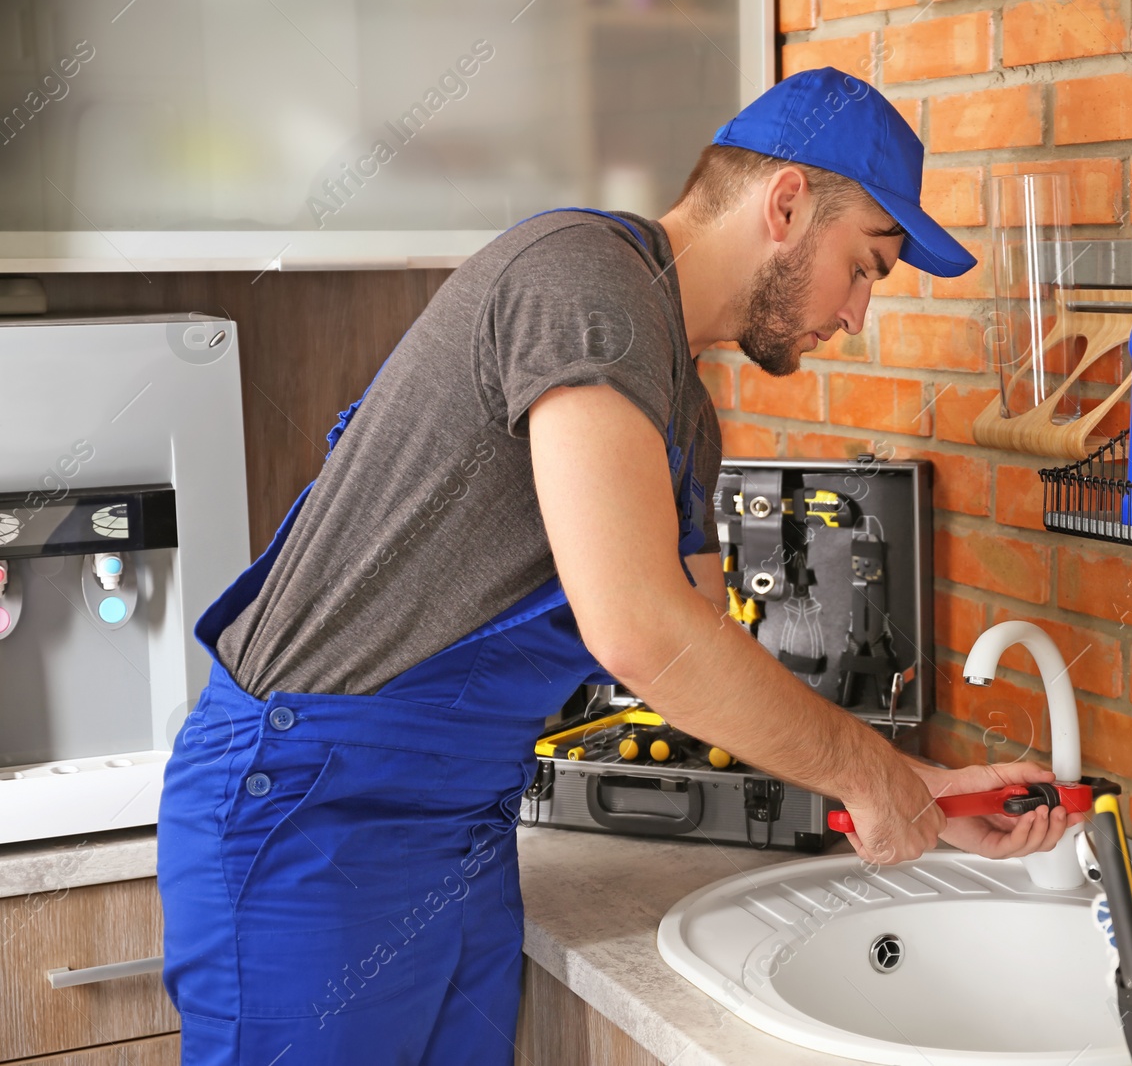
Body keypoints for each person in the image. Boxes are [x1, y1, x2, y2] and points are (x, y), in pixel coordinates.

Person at [157, 66, 1073, 1066]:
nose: (856, 313)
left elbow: (699, 660)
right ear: (786, 202)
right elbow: (638, 628)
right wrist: (866, 769)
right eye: (865, 265)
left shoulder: (681, 409)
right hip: (310, 807)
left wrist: (922, 790)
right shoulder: (580, 280)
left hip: (453, 825)